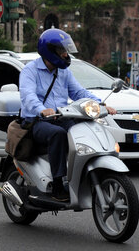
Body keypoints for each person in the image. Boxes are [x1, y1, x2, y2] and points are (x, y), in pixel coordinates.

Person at [18, 28, 116, 202]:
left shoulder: (63, 72)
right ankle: (57, 184)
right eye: (61, 51)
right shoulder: (30, 71)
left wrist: (100, 104)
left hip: (61, 117)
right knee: (58, 135)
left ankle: (81, 172)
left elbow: (78, 92)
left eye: (65, 51)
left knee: (85, 129)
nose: (65, 54)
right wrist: (42, 109)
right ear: (50, 51)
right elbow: (28, 96)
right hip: (37, 121)